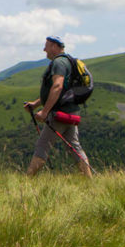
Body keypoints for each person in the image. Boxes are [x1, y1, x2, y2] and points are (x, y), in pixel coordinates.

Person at [23, 36, 93, 177]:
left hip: (59, 114)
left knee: (42, 146)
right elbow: (61, 91)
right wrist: (36, 104)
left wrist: (44, 112)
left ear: (54, 46)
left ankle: (26, 181)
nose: (44, 49)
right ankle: (89, 180)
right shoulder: (68, 61)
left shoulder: (59, 63)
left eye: (46, 46)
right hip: (71, 113)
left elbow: (57, 87)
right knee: (75, 147)